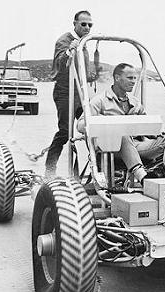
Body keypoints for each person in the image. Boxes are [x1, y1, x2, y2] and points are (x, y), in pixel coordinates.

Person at [79, 63, 165, 185]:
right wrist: (106, 122)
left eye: (135, 78)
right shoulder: (100, 101)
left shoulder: (135, 102)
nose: (133, 81)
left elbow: (147, 127)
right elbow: (81, 125)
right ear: (117, 78)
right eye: (130, 78)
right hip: (111, 149)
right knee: (121, 133)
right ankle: (143, 177)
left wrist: (156, 132)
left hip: (136, 146)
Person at [45, 10, 94, 177]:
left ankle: (99, 170)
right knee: (65, 133)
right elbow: (59, 65)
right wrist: (68, 52)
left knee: (93, 130)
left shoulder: (84, 42)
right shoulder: (64, 41)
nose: (87, 27)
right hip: (65, 92)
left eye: (90, 25)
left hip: (81, 94)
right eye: (83, 24)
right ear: (74, 23)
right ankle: (49, 171)